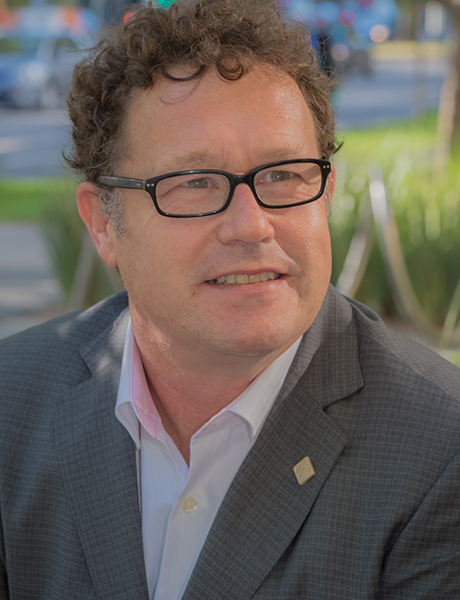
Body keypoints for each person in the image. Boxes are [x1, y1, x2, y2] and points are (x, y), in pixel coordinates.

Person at [1, 1, 459, 598]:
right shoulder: (12, 403)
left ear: (325, 195)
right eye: (194, 183)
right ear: (104, 224)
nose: (251, 225)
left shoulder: (439, 451)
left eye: (283, 174)